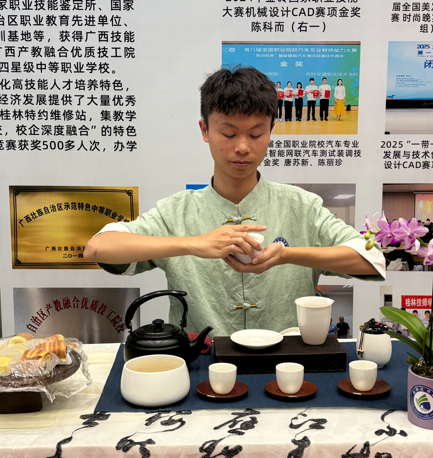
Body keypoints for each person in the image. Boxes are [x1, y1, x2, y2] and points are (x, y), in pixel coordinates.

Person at [84, 67, 386, 337]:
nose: (242, 147)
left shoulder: (302, 206)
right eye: (229, 133)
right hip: (202, 366)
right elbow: (99, 248)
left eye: (256, 134)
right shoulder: (176, 211)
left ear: (271, 131)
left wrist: (287, 255)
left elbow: (371, 260)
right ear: (205, 130)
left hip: (288, 367)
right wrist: (193, 244)